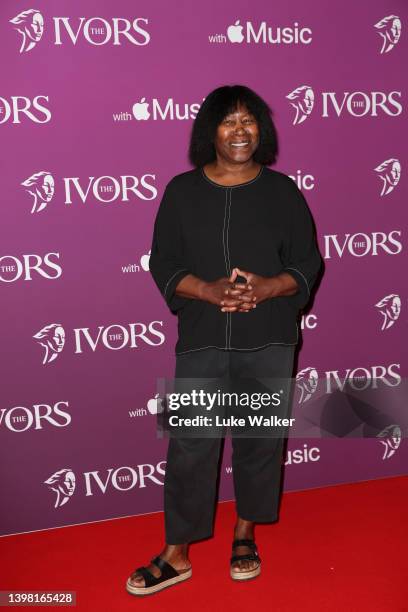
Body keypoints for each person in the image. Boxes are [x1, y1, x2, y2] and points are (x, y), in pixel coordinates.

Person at [126, 84, 322, 596]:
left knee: (259, 444)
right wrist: (209, 291)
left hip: (270, 336)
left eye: (250, 120)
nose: (240, 131)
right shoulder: (181, 191)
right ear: (208, 130)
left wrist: (270, 287)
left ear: (263, 129)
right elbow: (164, 263)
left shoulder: (282, 191)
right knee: (190, 446)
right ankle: (177, 552)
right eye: (228, 121)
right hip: (202, 337)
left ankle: (245, 532)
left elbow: (306, 262)